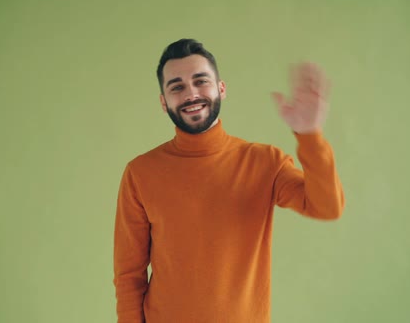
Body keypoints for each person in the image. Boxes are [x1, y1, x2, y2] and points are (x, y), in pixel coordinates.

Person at [113, 38, 345, 323]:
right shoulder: (140, 173)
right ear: (164, 102)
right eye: (177, 87)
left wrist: (310, 135)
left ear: (221, 89)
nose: (191, 93)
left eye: (201, 81)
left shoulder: (265, 162)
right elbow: (129, 275)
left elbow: (327, 206)